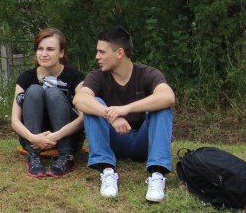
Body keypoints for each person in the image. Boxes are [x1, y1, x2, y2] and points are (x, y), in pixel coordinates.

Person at [73, 26, 176, 202]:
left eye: (102, 52)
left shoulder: (147, 74)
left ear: (120, 53)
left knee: (162, 106)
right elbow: (80, 99)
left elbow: (168, 97)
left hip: (144, 143)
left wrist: (125, 109)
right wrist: (110, 114)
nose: (97, 56)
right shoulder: (97, 76)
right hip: (114, 142)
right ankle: (107, 170)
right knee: (93, 103)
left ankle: (157, 175)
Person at [10, 28, 86, 179]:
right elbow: (14, 121)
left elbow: (83, 118)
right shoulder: (26, 78)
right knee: (34, 90)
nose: (44, 54)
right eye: (40, 49)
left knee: (53, 92)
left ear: (61, 53)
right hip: (34, 140)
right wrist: (33, 138)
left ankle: (66, 156)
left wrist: (55, 136)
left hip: (66, 137)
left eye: (50, 49)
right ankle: (34, 157)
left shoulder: (76, 77)